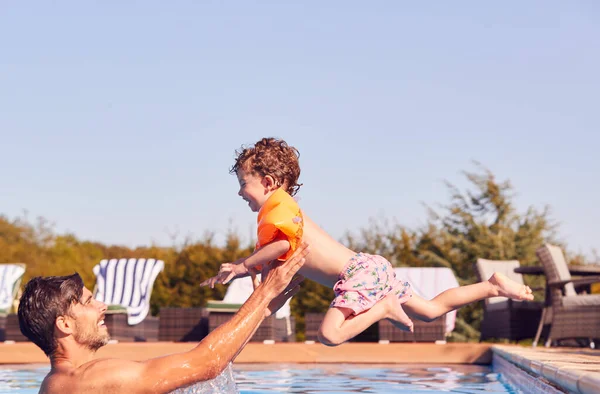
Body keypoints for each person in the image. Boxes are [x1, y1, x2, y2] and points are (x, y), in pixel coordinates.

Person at [200, 137, 534, 346]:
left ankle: (385, 308)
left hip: (358, 274)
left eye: (244, 183)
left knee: (329, 336)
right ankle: (491, 286)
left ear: (269, 182)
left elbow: (284, 248)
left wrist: (243, 265)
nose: (240, 191)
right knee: (430, 311)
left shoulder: (277, 210)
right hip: (369, 267)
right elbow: (279, 258)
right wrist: (243, 273)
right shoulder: (284, 213)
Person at [17, 243, 309, 394]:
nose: (102, 306)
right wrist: (264, 293)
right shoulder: (91, 379)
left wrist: (263, 309)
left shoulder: (58, 383)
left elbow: (208, 365)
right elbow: (207, 363)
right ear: (65, 324)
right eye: (89, 302)